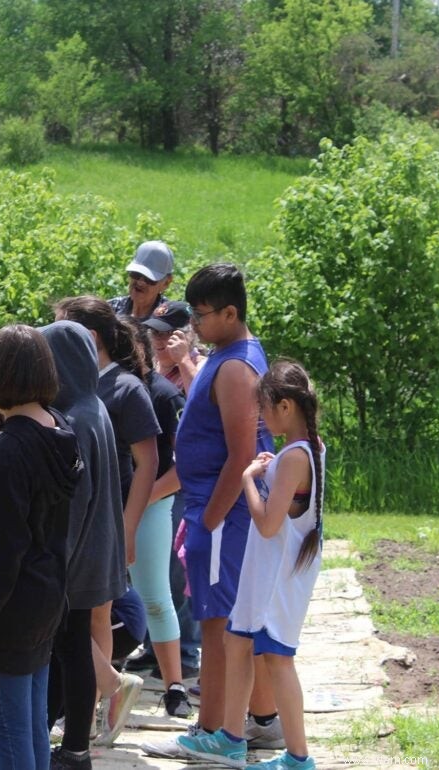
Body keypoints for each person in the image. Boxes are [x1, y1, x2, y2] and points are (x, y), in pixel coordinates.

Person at [142, 264, 276, 759]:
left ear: (230, 312)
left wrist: (210, 520)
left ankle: (216, 734)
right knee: (225, 622)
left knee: (217, 629)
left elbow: (241, 455)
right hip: (209, 512)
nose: (194, 325)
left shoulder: (237, 367)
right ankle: (247, 723)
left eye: (201, 316)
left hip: (220, 516)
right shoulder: (225, 355)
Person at [177, 359, 325, 770]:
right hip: (264, 570)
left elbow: (266, 524)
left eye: (263, 407)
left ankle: (298, 757)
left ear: (285, 407)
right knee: (236, 640)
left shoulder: (295, 456)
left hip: (278, 572)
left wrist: (247, 479)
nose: (260, 415)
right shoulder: (307, 447)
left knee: (277, 657)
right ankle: (230, 737)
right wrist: (266, 470)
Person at [0, 325, 82, 770]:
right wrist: (4, 442)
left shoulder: (6, 459)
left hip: (5, 617)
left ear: (0, 377)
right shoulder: (60, 432)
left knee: (8, 734)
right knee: (30, 729)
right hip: (44, 604)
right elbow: (30, 457)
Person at [53, 297, 160, 744]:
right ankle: (100, 699)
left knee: (85, 619)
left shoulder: (124, 389)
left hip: (103, 520)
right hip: (95, 519)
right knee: (88, 618)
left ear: (87, 338)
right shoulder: (80, 390)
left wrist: (129, 526)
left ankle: (103, 695)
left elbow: (148, 463)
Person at [39, 320, 126, 770]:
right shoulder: (92, 407)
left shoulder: (75, 420)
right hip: (98, 548)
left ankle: (75, 750)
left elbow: (75, 504)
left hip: (78, 558)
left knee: (72, 651)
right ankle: (72, 742)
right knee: (69, 648)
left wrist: (54, 560)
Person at [124, 323, 193, 719]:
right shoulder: (107, 389)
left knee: (155, 595)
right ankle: (104, 684)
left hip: (152, 505)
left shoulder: (165, 395)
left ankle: (174, 687)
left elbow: (184, 468)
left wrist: (138, 501)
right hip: (109, 507)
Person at [108, 240, 175, 321]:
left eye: (149, 279)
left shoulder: (170, 319)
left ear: (166, 283)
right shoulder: (111, 309)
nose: (140, 283)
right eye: (136, 274)